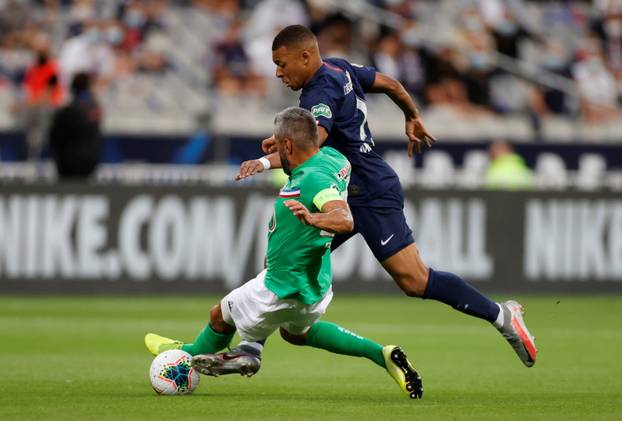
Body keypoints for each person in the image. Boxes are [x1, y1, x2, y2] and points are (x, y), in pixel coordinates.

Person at [227, 25, 537, 372]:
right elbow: (391, 84)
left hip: (368, 191)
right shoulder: (339, 68)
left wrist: (263, 160)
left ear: (305, 56)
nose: (278, 72)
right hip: (342, 192)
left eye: (282, 63)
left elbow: (311, 144)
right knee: (280, 267)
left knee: (415, 280)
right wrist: (412, 115)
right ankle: (249, 348)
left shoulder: (319, 92)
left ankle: (501, 314)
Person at [145, 107, 423, 399]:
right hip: (316, 284)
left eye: (279, 145)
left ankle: (193, 354)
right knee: (296, 333)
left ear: (288, 144)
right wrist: (265, 162)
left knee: (220, 316)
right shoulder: (335, 159)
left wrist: (314, 218)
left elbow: (344, 219)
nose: (276, 150)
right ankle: (382, 354)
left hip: (281, 284)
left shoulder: (311, 181)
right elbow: (305, 155)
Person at [48, 72, 103, 179]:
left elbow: (53, 138)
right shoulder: (95, 108)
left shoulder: (68, 111)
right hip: (90, 164)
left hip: (70, 166)